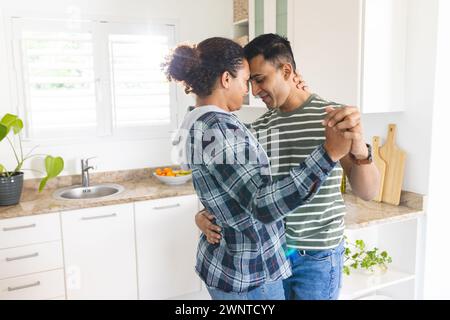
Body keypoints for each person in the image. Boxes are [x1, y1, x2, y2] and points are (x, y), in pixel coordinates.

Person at [163, 37, 352, 300]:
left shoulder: (207, 122)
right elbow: (261, 203)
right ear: (226, 79)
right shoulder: (219, 128)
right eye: (246, 79)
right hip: (248, 273)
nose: (249, 90)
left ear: (287, 72)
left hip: (262, 263)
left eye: (257, 79)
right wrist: (329, 153)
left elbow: (229, 184)